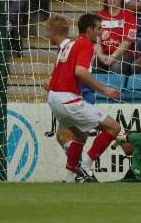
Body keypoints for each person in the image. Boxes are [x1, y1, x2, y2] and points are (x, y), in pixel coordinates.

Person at [46, 13, 121, 182]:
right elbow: (80, 71)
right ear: (89, 30)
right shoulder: (86, 45)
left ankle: (70, 176)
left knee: (80, 135)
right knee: (113, 127)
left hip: (54, 97)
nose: (101, 32)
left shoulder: (70, 44)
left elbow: (59, 69)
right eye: (99, 28)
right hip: (68, 98)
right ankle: (86, 166)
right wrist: (105, 89)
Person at [96, 0, 137, 75]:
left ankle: (115, 89)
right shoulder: (99, 15)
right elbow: (95, 40)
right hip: (104, 52)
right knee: (94, 63)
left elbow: (128, 41)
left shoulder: (129, 15)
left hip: (124, 53)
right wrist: (100, 55)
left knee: (116, 66)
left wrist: (113, 56)